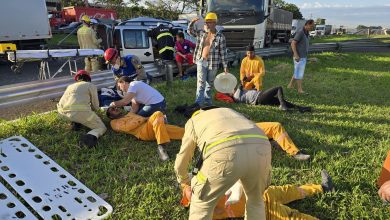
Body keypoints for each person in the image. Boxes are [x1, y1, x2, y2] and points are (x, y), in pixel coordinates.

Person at [174, 107, 272, 219]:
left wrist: (184, 182)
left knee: (202, 203)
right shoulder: (232, 111)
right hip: (262, 146)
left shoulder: (194, 121)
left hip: (225, 150)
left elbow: (182, 159)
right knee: (256, 201)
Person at [180, 170, 334, 220]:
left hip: (259, 193)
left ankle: (323, 187)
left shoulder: (199, 180)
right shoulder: (200, 207)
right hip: (259, 210)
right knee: (292, 216)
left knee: (289, 190)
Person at [106, 107, 184, 161]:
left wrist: (151, 119)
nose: (116, 108)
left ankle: (161, 127)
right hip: (143, 132)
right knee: (157, 113)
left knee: (183, 132)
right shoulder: (114, 122)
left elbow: (144, 119)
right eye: (113, 109)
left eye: (116, 107)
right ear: (111, 116)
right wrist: (144, 119)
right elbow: (127, 127)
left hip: (153, 127)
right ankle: (161, 146)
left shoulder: (130, 114)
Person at [188, 12, 229, 106]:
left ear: (215, 23)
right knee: (201, 83)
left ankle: (207, 101)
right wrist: (192, 23)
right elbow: (190, 32)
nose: (207, 24)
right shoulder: (201, 33)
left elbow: (223, 52)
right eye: (206, 22)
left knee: (209, 84)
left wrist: (225, 66)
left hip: (213, 63)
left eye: (209, 22)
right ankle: (198, 103)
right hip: (201, 61)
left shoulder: (220, 37)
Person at [57, 70, 106, 147]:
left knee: (78, 113)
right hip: (80, 113)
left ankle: (76, 123)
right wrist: (98, 112)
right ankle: (87, 139)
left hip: (62, 114)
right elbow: (95, 105)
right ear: (88, 78)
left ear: (77, 79)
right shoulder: (90, 85)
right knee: (101, 127)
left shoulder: (70, 86)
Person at [232, 85, 312, 112]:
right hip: (260, 97)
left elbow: (250, 91)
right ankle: (283, 107)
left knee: (281, 101)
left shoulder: (240, 93)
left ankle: (300, 108)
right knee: (278, 88)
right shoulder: (235, 95)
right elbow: (240, 86)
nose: (233, 88)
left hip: (261, 98)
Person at [288, 19, 315, 94]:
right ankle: (300, 90)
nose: (312, 27)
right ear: (307, 24)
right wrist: (296, 55)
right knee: (299, 73)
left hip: (303, 56)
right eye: (311, 26)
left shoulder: (307, 33)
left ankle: (290, 85)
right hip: (298, 57)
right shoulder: (301, 32)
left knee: (297, 71)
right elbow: (293, 43)